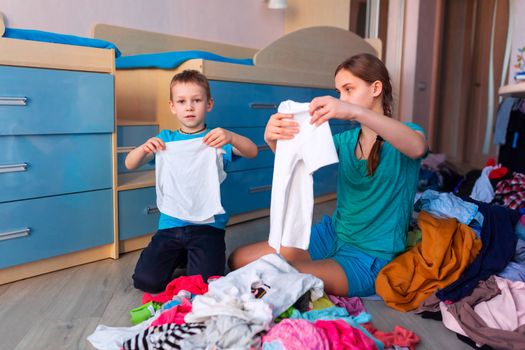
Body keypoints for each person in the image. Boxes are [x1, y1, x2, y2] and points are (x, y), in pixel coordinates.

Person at [228, 53, 428, 297]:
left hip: (368, 255)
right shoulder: (345, 141)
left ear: (375, 88)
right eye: (339, 92)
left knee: (279, 278)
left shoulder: (407, 134)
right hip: (332, 234)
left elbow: (418, 147)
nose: (341, 99)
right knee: (239, 259)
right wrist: (272, 138)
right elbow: (297, 161)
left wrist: (355, 112)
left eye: (348, 89)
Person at [126, 69, 258, 293]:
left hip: (208, 225)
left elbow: (252, 151)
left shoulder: (216, 139)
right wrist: (144, 147)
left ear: (209, 104)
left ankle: (189, 256)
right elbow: (130, 164)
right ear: (172, 106)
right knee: (146, 281)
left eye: (196, 100)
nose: (189, 107)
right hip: (171, 224)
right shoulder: (165, 140)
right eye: (182, 101)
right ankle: (178, 255)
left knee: (205, 285)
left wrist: (231, 137)